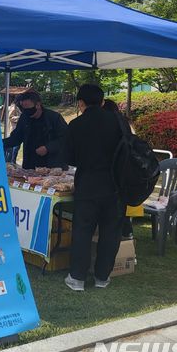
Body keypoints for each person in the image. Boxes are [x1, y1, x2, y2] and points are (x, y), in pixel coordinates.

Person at [64, 84, 125, 292]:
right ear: (102, 101)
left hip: (87, 184)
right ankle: (102, 277)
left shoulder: (76, 125)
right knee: (111, 232)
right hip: (115, 184)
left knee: (82, 230)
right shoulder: (118, 121)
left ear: (81, 103)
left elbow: (69, 157)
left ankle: (77, 278)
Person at [2, 90, 67, 170]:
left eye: (28, 108)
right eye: (22, 108)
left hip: (53, 165)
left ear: (38, 105)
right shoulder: (24, 118)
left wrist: (48, 148)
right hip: (30, 165)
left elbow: (66, 138)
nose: (25, 111)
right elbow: (16, 138)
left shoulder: (54, 118)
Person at [102, 98, 139, 239]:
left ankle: (124, 234)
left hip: (119, 174)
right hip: (127, 174)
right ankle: (126, 233)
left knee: (117, 210)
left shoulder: (115, 125)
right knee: (121, 209)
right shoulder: (124, 122)